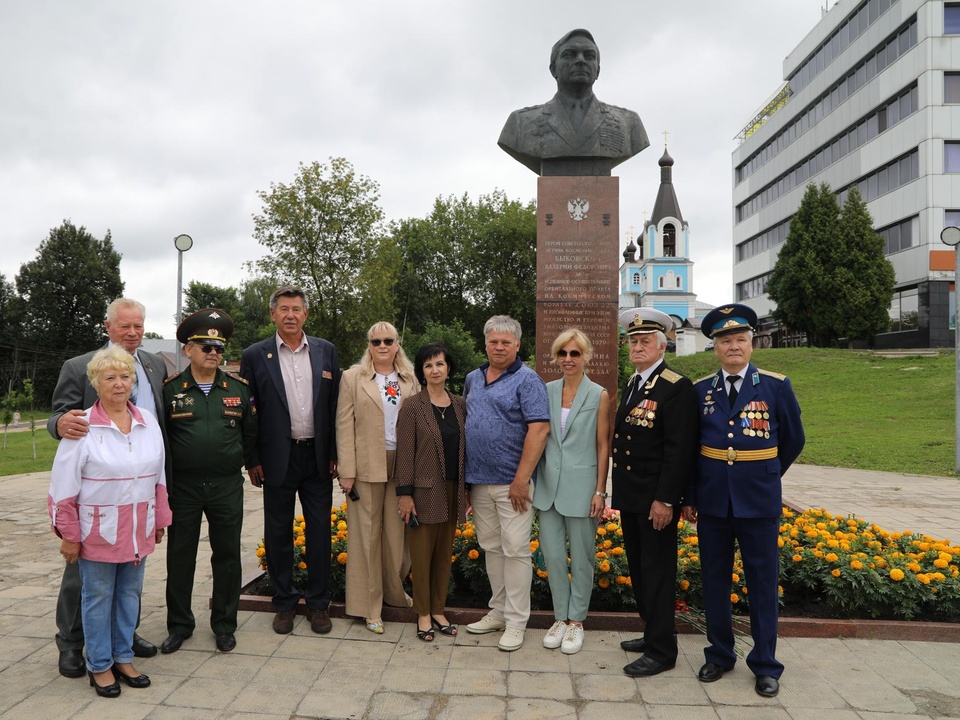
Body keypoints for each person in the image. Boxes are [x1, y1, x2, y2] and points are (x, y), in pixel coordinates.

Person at [682, 303, 805, 699]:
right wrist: (691, 496)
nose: (733, 347)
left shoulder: (775, 385)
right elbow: (691, 448)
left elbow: (793, 440)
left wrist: (766, 474)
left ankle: (766, 664)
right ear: (714, 348)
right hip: (714, 502)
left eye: (740, 340)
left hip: (758, 502)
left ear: (752, 344)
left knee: (762, 585)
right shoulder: (701, 391)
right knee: (715, 581)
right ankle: (719, 654)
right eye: (725, 341)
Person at [47, 297, 166, 678]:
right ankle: (71, 644)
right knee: (82, 578)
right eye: (124, 326)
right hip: (95, 488)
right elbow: (58, 416)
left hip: (139, 486)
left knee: (128, 581)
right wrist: (61, 424)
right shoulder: (79, 366)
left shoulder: (154, 363)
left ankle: (123, 641)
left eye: (138, 326)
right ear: (107, 326)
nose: (132, 333)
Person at [239, 286, 341, 635]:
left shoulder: (326, 352)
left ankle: (317, 603)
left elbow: (334, 408)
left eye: (296, 309)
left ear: (306, 314)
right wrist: (252, 458)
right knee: (278, 532)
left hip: (316, 459)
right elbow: (249, 412)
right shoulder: (255, 355)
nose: (290, 315)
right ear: (273, 314)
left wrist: (334, 455)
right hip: (276, 459)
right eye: (283, 309)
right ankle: (284, 603)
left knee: (319, 533)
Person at [160, 309, 258, 654]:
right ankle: (180, 625)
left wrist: (251, 465)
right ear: (188, 349)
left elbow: (251, 436)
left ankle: (225, 624)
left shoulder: (237, 389)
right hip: (183, 487)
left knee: (228, 555)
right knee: (180, 555)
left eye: (218, 347)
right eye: (205, 346)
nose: (213, 353)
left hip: (226, 485)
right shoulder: (170, 391)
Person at [613, 308, 697, 677]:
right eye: (633, 341)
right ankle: (652, 632)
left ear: (663, 345)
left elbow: (680, 450)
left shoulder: (675, 386)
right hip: (632, 497)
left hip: (655, 501)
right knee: (640, 570)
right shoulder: (633, 383)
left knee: (658, 572)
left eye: (645, 341)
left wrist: (666, 500)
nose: (637, 346)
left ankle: (663, 651)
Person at [463, 315, 549, 651]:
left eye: (506, 343)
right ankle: (497, 611)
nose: (499, 347)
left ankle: (516, 621)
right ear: (485, 343)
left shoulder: (528, 381)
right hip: (479, 482)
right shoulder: (473, 378)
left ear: (517, 345)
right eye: (493, 341)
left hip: (513, 484)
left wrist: (521, 479)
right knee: (492, 548)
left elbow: (539, 429)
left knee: (515, 551)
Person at [336, 322, 417, 633]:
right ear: (369, 345)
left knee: (397, 535)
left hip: (402, 464)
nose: (382, 346)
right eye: (376, 341)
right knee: (366, 537)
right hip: (366, 464)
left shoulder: (410, 379)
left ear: (397, 344)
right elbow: (344, 425)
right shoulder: (352, 377)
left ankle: (395, 594)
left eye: (388, 341)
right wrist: (347, 471)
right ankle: (369, 608)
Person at [535, 329, 610, 655]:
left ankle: (577, 621)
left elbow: (603, 445)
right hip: (549, 488)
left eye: (574, 354)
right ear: (556, 356)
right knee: (551, 557)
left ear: (585, 356)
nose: (568, 359)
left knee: (581, 559)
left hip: (582, 489)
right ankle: (560, 618)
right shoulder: (546, 390)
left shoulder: (598, 394)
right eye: (563, 353)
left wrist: (600, 492)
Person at [498, 28, 649, 176]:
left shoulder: (629, 124)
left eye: (589, 56)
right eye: (570, 55)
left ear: (598, 71)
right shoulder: (520, 124)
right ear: (553, 69)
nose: (580, 60)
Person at [395, 343, 468, 642]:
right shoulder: (412, 406)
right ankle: (423, 613)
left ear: (448, 368)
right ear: (421, 372)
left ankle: (439, 609)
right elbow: (404, 453)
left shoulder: (460, 404)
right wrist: (405, 494)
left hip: (454, 488)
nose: (435, 370)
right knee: (422, 555)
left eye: (440, 364)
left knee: (443, 554)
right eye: (428, 366)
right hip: (424, 491)